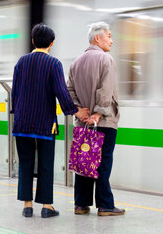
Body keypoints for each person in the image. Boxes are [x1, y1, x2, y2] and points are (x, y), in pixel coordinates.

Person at [11, 24, 89, 218]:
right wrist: (75, 112)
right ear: (52, 43)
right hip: (45, 123)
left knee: (26, 163)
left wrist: (17, 113)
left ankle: (27, 205)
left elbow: (16, 91)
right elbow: (61, 92)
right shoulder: (53, 63)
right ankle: (46, 206)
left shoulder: (21, 62)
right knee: (46, 163)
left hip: (22, 123)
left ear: (32, 41)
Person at [67, 22, 125, 216]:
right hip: (103, 122)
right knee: (103, 162)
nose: (112, 40)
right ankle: (105, 205)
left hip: (83, 123)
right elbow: (106, 90)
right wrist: (98, 113)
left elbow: (69, 90)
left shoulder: (76, 62)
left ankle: (81, 204)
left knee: (84, 161)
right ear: (97, 38)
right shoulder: (105, 59)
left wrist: (78, 111)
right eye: (109, 36)